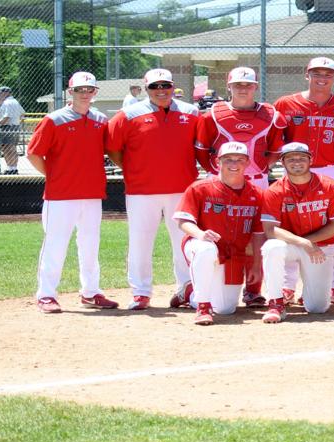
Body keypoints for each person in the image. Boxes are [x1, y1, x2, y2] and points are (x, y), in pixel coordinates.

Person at [106, 68, 199, 310]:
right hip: (141, 190)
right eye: (155, 87)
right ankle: (140, 292)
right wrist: (132, 168)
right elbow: (113, 148)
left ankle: (187, 288)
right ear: (146, 89)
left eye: (165, 85)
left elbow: (201, 146)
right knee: (140, 241)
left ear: (173, 86)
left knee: (184, 241)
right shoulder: (128, 114)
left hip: (182, 189)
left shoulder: (191, 112)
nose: (161, 91)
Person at [195, 66, 287, 305]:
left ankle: (254, 289)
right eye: (238, 85)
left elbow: (276, 150)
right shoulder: (213, 113)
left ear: (256, 86)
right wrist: (218, 172)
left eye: (248, 85)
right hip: (220, 181)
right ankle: (216, 283)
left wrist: (257, 169)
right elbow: (203, 150)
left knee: (257, 234)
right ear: (229, 86)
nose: (243, 89)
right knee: (223, 232)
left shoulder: (271, 114)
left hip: (257, 181)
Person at [275, 56, 334, 305]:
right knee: (290, 222)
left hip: (331, 170)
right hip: (294, 170)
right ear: (307, 75)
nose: (322, 78)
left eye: (328, 74)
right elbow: (278, 140)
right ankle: (287, 286)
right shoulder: (286, 103)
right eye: (317, 73)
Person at [31, 72, 117, 313]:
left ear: (95, 92)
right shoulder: (54, 119)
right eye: (80, 90)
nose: (85, 93)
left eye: (89, 90)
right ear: (71, 92)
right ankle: (46, 294)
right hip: (60, 195)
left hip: (91, 193)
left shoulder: (101, 119)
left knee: (90, 245)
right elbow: (34, 153)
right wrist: (53, 175)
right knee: (55, 245)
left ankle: (90, 292)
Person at [258, 142, 334, 321]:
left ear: (311, 160)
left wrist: (310, 242)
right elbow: (270, 230)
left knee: (318, 308)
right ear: (282, 163)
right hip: (292, 246)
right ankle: (275, 302)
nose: (297, 162)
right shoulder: (275, 190)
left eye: (302, 158)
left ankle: (308, 294)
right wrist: (304, 242)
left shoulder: (330, 186)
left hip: (319, 247)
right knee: (272, 247)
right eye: (291, 159)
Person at [175, 141, 264, 325]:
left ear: (248, 163)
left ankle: (190, 292)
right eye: (228, 159)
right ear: (218, 162)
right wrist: (200, 234)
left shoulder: (257, 194)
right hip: (200, 244)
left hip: (233, 254)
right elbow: (183, 221)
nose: (234, 164)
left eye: (240, 159)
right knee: (206, 249)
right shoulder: (200, 188)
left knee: (225, 308)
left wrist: (255, 265)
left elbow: (257, 233)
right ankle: (202, 307)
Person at [0, 86, 25, 174]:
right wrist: (16, 121)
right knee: (10, 148)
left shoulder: (7, 103)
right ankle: (12, 168)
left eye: (0, 93)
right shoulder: (15, 101)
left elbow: (6, 118)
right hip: (15, 126)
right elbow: (22, 114)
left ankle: (12, 168)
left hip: (7, 127)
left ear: (6, 93)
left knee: (8, 148)